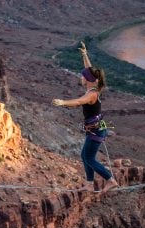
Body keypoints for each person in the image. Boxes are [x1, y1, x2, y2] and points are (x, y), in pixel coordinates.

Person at [52, 41, 118, 194]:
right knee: (85, 156)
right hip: (95, 129)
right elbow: (89, 70)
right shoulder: (95, 87)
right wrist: (84, 54)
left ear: (88, 80)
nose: (80, 77)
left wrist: (63, 102)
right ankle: (89, 184)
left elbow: (79, 101)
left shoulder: (91, 94)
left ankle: (111, 180)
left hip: (96, 131)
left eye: (82, 76)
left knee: (89, 158)